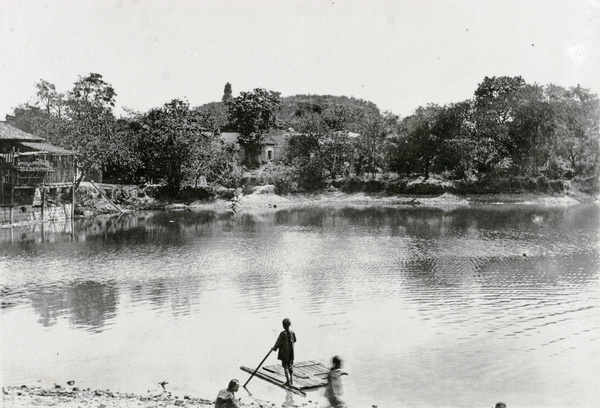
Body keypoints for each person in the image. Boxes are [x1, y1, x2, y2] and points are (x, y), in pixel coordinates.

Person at [272, 318, 296, 386]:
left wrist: (274, 348)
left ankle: (288, 381)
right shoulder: (292, 333)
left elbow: (278, 343)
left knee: (285, 366)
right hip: (291, 352)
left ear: (283, 326)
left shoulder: (282, 334)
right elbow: (295, 340)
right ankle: (291, 380)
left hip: (284, 353)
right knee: (290, 365)